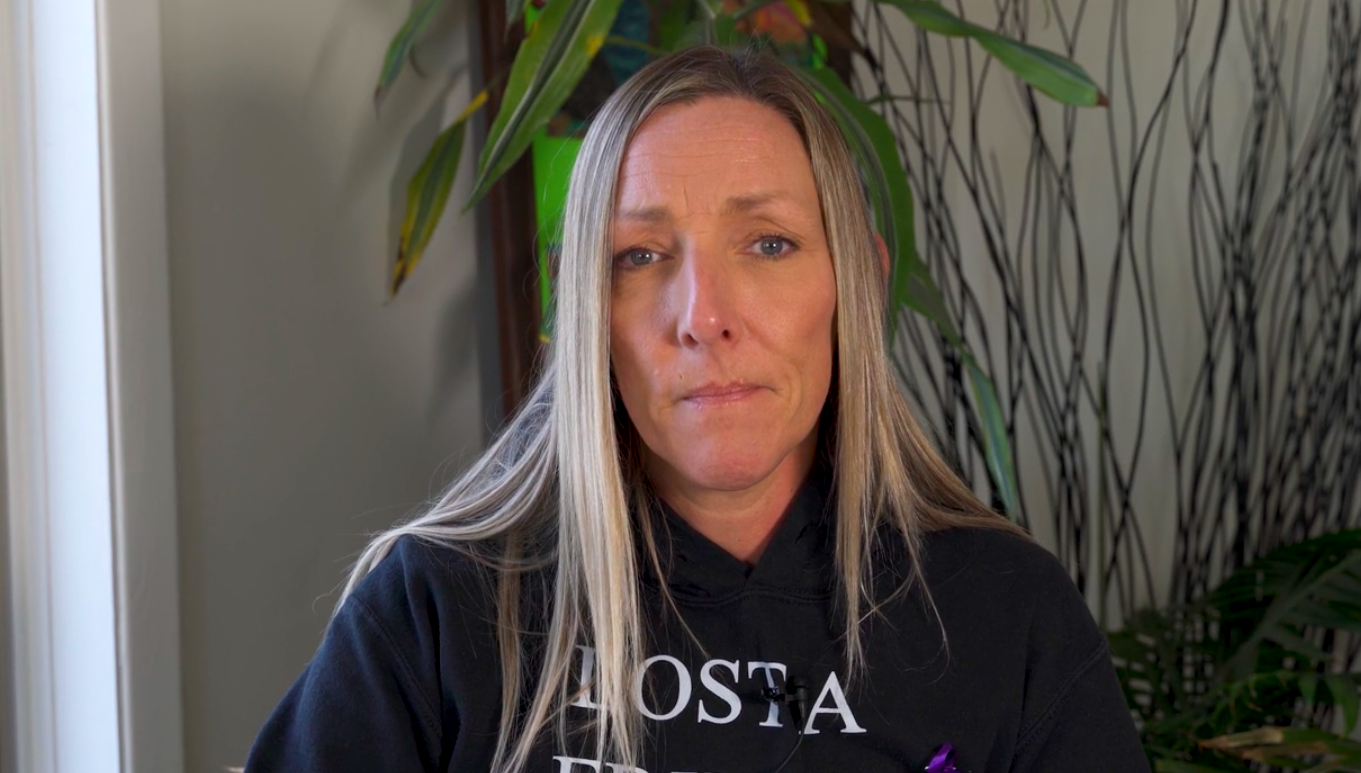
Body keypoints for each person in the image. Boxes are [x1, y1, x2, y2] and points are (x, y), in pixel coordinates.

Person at [245, 45, 1149, 773]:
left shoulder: (1002, 612)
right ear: (580, 304)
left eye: (768, 243)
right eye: (640, 255)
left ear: (858, 282)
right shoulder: (437, 611)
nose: (704, 316)